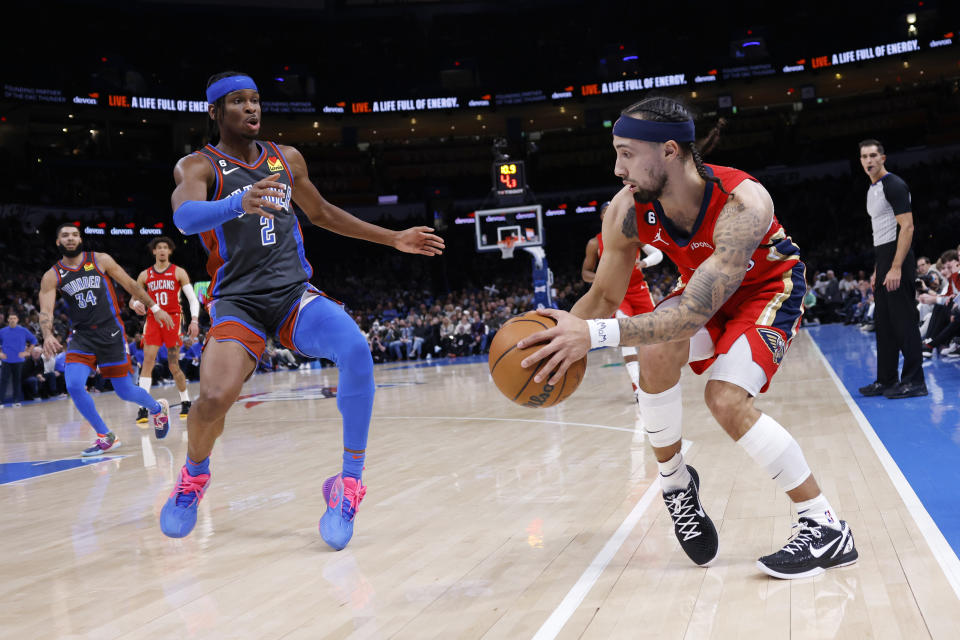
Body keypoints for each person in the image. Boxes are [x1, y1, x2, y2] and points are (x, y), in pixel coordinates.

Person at [517, 96, 856, 579]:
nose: (617, 168)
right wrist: (555, 343)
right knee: (652, 351)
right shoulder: (627, 210)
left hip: (764, 290)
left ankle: (824, 525)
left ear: (669, 151)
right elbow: (602, 297)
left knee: (725, 399)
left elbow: (689, 314)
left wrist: (593, 335)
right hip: (700, 287)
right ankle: (677, 486)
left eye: (627, 153)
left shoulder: (743, 202)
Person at [161, 71, 444, 546]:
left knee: (355, 349)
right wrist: (236, 204)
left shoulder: (285, 158)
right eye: (237, 102)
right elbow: (184, 218)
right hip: (238, 302)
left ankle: (347, 484)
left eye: (255, 100)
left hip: (292, 294)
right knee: (212, 398)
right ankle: (194, 475)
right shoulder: (198, 167)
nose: (251, 109)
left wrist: (393, 238)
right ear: (215, 113)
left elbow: (325, 214)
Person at [39, 223, 174, 455]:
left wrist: (155, 307)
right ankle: (105, 435)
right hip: (82, 336)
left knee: (125, 391)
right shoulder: (52, 275)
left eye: (74, 235)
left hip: (111, 332)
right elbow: (45, 311)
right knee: (73, 384)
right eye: (65, 236)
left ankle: (157, 408)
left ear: (80, 239)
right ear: (58, 242)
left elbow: (130, 284)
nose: (70, 239)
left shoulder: (100, 260)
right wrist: (48, 334)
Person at [856, 140, 927, 399]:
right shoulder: (872, 189)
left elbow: (907, 227)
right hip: (884, 257)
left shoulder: (894, 185)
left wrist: (896, 267)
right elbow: (881, 234)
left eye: (873, 155)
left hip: (900, 259)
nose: (869, 160)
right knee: (883, 323)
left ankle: (915, 381)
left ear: (883, 158)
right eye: (864, 156)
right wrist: (879, 268)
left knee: (904, 321)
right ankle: (885, 380)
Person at [582, 200, 663, 410]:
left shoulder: (633, 235)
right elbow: (585, 273)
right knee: (626, 336)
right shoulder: (594, 243)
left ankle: (654, 383)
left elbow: (658, 254)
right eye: (607, 212)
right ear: (602, 217)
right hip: (618, 294)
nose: (612, 215)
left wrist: (644, 263)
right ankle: (638, 389)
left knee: (651, 340)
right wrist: (602, 277)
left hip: (640, 290)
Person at [130, 236, 201, 423]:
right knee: (148, 362)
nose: (162, 250)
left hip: (173, 320)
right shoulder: (145, 275)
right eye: (158, 248)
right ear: (153, 251)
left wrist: (194, 320)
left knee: (173, 365)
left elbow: (192, 299)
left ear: (170, 251)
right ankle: (143, 407)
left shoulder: (179, 272)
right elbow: (133, 299)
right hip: (153, 320)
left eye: (165, 248)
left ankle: (185, 401)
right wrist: (135, 304)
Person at [0, 312, 38, 407]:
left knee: (17, 380)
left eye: (14, 318)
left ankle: (16, 401)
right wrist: (0, 353)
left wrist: (28, 352)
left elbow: (34, 340)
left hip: (19, 360)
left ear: (17, 320)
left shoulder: (23, 330)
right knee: (3, 380)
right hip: (6, 360)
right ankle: (1, 401)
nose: (12, 320)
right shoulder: (2, 331)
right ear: (8, 320)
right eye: (11, 318)